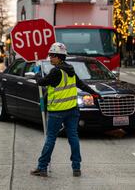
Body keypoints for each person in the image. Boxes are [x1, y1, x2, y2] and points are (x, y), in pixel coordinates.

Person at [30, 42, 101, 177]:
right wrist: (94, 93)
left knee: (50, 139)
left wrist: (37, 73)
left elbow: (41, 82)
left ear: (59, 57)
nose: (50, 58)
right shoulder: (71, 70)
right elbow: (81, 85)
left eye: (52, 56)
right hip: (72, 110)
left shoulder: (56, 71)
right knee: (73, 137)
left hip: (57, 111)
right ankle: (76, 168)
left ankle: (42, 167)